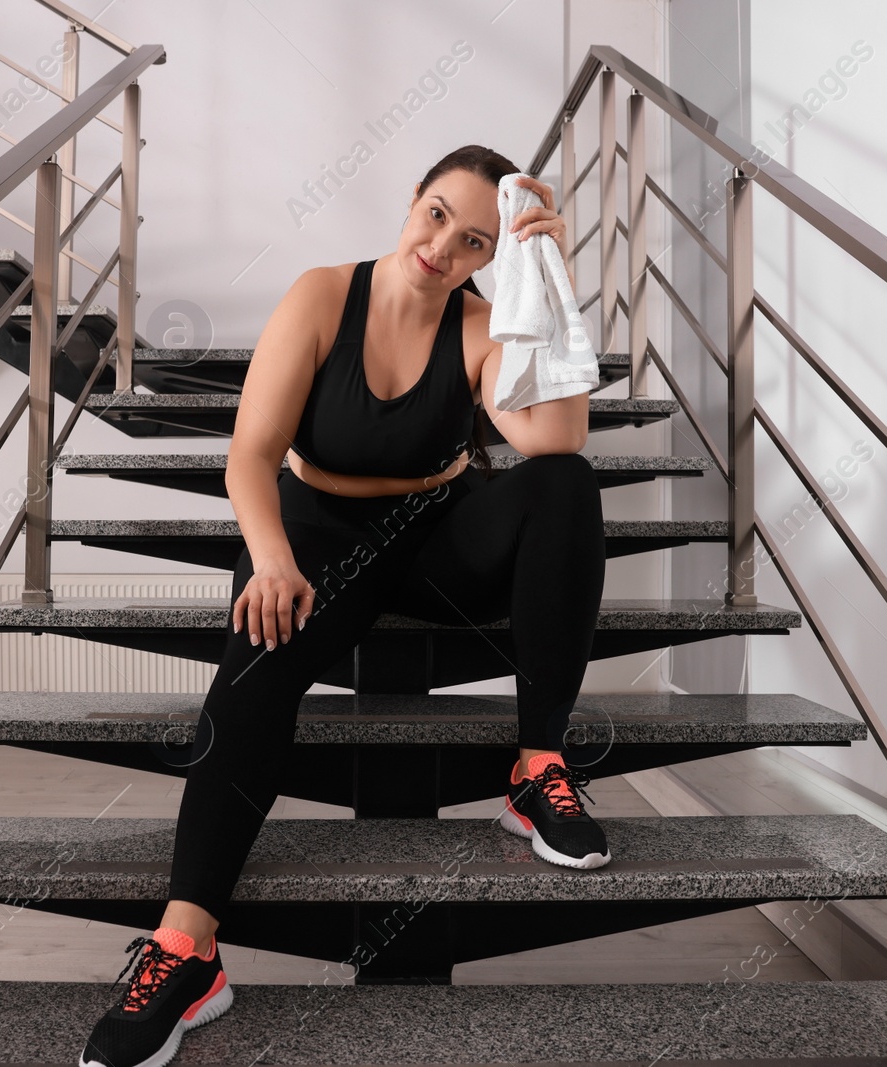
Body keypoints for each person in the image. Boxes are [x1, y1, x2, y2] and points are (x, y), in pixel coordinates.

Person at [79, 145, 609, 1067]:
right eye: (437, 214)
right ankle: (186, 948)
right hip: (316, 534)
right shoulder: (324, 295)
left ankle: (536, 763)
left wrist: (548, 280)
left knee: (567, 488)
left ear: (492, 255)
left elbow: (556, 437)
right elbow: (249, 455)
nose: (442, 246)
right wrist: (272, 558)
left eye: (476, 239)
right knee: (248, 672)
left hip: (434, 538)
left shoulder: (483, 326)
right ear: (413, 201)